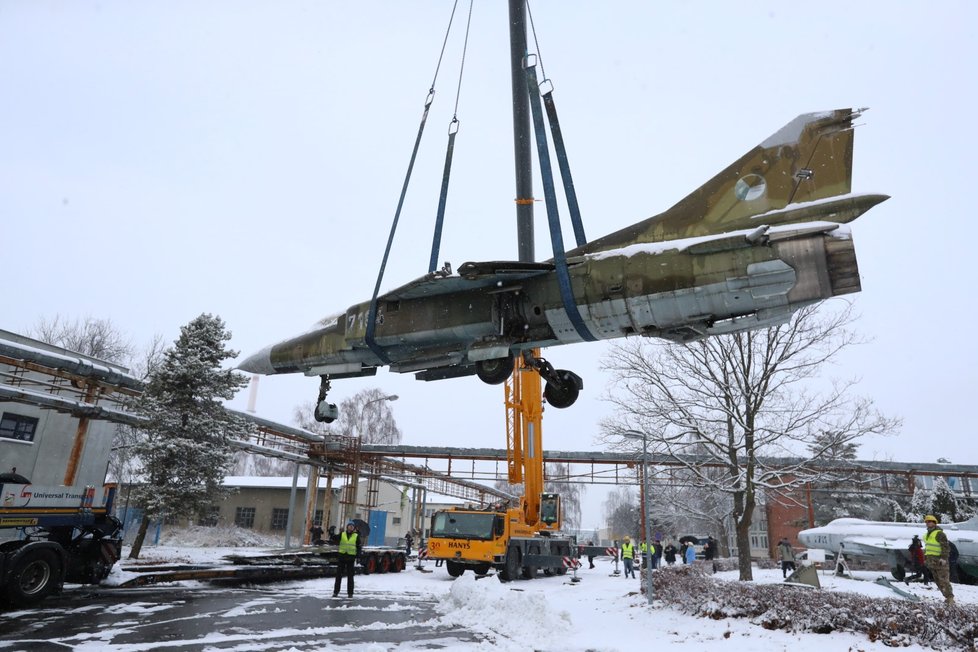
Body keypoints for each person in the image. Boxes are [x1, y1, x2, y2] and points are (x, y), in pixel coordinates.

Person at [923, 515, 954, 604]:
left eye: (930, 521)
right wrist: (926, 559)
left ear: (934, 522)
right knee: (937, 581)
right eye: (926, 522)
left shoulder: (939, 534)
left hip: (940, 562)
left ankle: (950, 598)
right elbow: (928, 548)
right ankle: (947, 597)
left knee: (944, 580)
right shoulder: (927, 535)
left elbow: (945, 547)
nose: (928, 523)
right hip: (932, 562)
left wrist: (943, 558)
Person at [333, 521, 362, 598]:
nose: (350, 528)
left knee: (350, 577)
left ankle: (350, 593)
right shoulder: (342, 534)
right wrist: (331, 533)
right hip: (342, 557)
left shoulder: (356, 536)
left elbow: (359, 547)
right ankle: (336, 592)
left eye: (352, 526)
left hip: (350, 559)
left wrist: (358, 556)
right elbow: (335, 539)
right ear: (347, 527)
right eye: (349, 526)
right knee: (338, 576)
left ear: (354, 528)